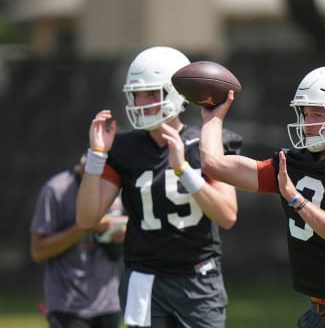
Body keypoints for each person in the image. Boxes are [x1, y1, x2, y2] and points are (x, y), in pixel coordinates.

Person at [200, 65, 325, 327]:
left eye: (317, 114)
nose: (307, 123)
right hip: (316, 312)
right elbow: (214, 165)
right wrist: (212, 120)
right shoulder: (293, 165)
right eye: (304, 113)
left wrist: (296, 200)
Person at [75, 46, 242, 328]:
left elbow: (227, 215)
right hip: (145, 278)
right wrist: (96, 157)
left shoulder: (208, 143)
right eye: (137, 93)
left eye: (152, 93)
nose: (142, 101)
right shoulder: (123, 148)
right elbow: (86, 218)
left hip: (198, 278)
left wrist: (184, 170)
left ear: (176, 93)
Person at [30, 151, 127, 328]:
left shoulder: (118, 186)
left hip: (109, 304)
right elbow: (38, 252)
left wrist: (118, 229)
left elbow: (140, 228)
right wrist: (85, 226)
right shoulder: (56, 189)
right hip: (67, 306)